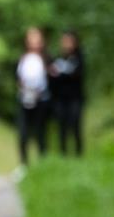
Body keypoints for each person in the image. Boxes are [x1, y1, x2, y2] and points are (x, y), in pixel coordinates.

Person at [16, 27, 50, 168]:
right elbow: (18, 77)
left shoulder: (46, 59)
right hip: (25, 98)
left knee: (40, 133)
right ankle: (24, 164)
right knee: (23, 133)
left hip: (40, 100)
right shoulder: (23, 58)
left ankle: (43, 164)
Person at [49, 31, 85, 156]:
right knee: (62, 126)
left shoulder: (79, 58)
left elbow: (77, 75)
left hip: (75, 98)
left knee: (75, 125)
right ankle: (62, 153)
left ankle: (79, 154)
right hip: (61, 98)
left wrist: (61, 74)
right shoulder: (58, 58)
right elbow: (53, 77)